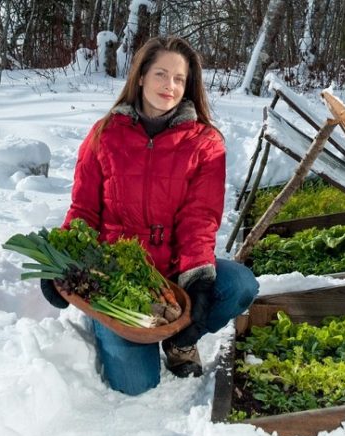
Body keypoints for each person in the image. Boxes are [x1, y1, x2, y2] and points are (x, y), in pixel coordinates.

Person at [40, 35, 259, 395]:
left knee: (239, 286)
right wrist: (63, 261)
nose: (169, 86)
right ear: (140, 77)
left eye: (178, 79)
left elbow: (199, 219)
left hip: (172, 268)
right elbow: (83, 210)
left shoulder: (205, 143)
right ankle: (107, 324)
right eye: (160, 74)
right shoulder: (105, 135)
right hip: (117, 276)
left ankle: (179, 341)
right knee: (136, 385)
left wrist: (199, 284)